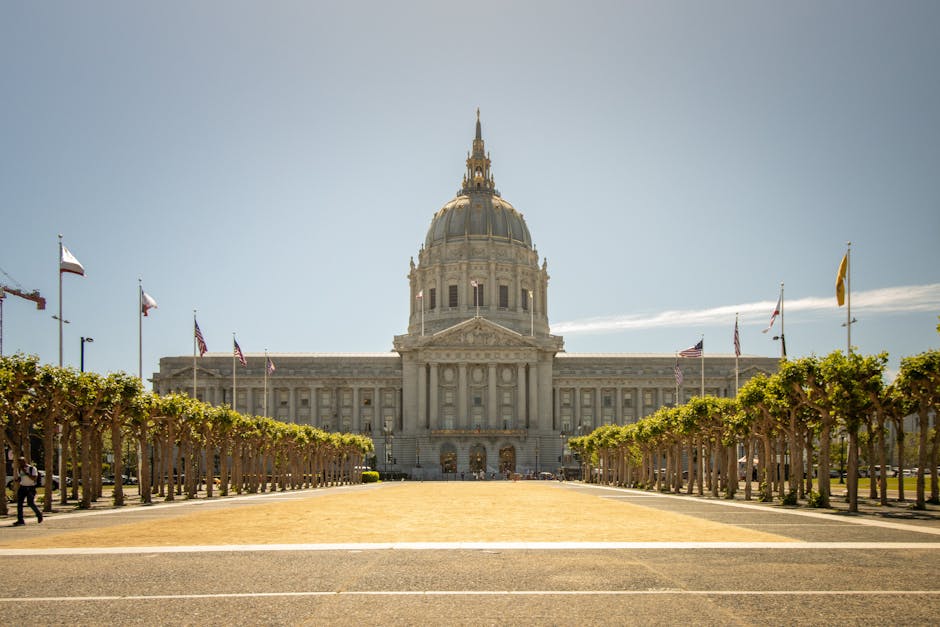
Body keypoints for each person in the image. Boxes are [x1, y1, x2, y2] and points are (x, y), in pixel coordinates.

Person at [13, 456, 43, 526]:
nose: (20, 464)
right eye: (19, 462)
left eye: (21, 462)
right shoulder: (19, 469)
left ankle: (39, 515)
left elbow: (33, 478)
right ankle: (20, 520)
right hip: (22, 488)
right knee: (19, 504)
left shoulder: (32, 468)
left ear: (24, 461)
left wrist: (26, 472)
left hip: (30, 488)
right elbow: (21, 478)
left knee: (30, 503)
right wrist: (18, 480)